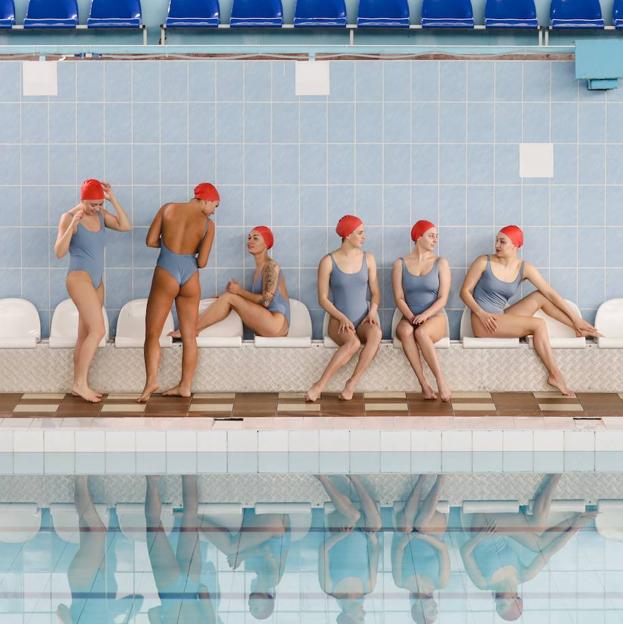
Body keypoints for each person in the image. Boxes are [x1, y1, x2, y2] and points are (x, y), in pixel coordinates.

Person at [460, 225, 599, 396]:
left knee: (541, 296)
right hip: (484, 323)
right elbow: (464, 292)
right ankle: (555, 374)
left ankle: (578, 327)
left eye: (502, 241)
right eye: (496, 240)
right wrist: (480, 313)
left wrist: (575, 318)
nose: (497, 245)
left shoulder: (524, 268)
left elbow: (550, 293)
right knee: (538, 325)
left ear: (516, 245)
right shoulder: (483, 261)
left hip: (501, 318)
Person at [460, 474, 596, 621]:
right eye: (502, 606)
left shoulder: (483, 583)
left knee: (537, 532)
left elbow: (464, 552)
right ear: (515, 600)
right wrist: (575, 529)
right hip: (500, 527)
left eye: (497, 607)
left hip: (482, 526)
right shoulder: (524, 575)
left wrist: (480, 537)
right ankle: (576, 518)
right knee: (540, 544)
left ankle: (556, 477)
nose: (497, 603)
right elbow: (550, 552)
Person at [138, 183, 219, 403]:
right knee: (190, 336)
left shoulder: (168, 209)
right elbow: (201, 262)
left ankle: (151, 381)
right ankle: (185, 386)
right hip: (190, 276)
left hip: (167, 270)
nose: (214, 210)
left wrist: (169, 246)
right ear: (204, 199)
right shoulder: (208, 225)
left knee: (153, 334)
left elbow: (150, 241)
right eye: (214, 205)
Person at [54, 179, 131, 403]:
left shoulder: (100, 214)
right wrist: (72, 225)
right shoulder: (68, 217)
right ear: (82, 199)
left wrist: (112, 199)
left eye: (99, 204)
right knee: (98, 331)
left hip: (97, 281)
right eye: (92, 204)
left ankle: (78, 383)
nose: (97, 208)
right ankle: (80, 384)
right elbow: (59, 252)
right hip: (79, 279)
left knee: (85, 334)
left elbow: (125, 226)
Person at [305, 215, 382, 402]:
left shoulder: (368, 259)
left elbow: (376, 292)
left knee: (376, 334)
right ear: (347, 235)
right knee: (354, 343)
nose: (364, 237)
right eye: (360, 233)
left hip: (363, 319)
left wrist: (372, 311)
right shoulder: (328, 261)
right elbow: (322, 299)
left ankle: (351, 384)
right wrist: (341, 317)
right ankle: (319, 386)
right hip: (337, 321)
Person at [172, 226, 290, 340]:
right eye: (249, 238)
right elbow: (258, 302)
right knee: (227, 297)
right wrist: (228, 297)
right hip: (271, 322)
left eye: (255, 238)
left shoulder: (271, 267)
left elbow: (265, 301)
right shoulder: (259, 270)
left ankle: (190, 330)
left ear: (266, 243)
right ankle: (192, 329)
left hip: (277, 324)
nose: (250, 241)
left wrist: (237, 292)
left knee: (229, 298)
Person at [56, 476, 143, 623]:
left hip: (83, 580)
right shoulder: (109, 618)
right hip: (95, 574)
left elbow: (60, 609)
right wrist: (126, 618)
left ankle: (81, 476)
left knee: (98, 531)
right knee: (86, 524)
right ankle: (80, 479)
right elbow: (137, 599)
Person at [145, 475, 222, 623]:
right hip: (168, 589)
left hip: (190, 583)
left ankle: (188, 474)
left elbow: (203, 591)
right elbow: (153, 612)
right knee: (153, 523)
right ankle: (152, 479)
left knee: (190, 516)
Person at [199, 498, 291, 620]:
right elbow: (266, 551)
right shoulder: (272, 580)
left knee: (233, 549)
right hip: (277, 525)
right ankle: (192, 519)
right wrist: (241, 557)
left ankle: (195, 520)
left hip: (275, 525)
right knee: (231, 548)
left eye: (250, 609)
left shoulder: (262, 579)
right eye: (255, 608)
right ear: (266, 602)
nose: (249, 606)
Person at [392, 221, 451, 402]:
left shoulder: (441, 263)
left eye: (436, 236)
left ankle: (440, 380)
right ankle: (424, 385)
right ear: (418, 237)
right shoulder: (400, 264)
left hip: (435, 317)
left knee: (422, 332)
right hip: (410, 316)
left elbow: (443, 298)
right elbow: (399, 297)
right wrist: (410, 316)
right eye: (431, 235)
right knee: (404, 330)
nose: (435, 239)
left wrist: (425, 315)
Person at [317, 475, 382, 624]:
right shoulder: (368, 587)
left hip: (338, 530)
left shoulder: (330, 588)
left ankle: (322, 478)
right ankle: (354, 478)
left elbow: (323, 550)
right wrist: (371, 537)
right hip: (361, 531)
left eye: (360, 618)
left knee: (354, 515)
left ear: (348, 617)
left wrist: (342, 534)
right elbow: (375, 552)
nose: (364, 613)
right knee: (375, 524)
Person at [392, 475, 450, 624]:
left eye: (432, 612)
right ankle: (438, 481)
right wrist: (422, 536)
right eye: (436, 612)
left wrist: (411, 537)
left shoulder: (401, 582)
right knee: (421, 525)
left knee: (408, 526)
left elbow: (398, 550)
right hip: (433, 533)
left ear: (418, 608)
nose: (436, 608)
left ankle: (422, 480)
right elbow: (442, 549)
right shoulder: (440, 582)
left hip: (407, 534)